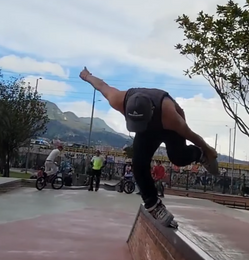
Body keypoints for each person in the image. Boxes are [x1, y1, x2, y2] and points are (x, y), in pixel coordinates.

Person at [80, 67, 219, 227]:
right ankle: (153, 204)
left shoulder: (171, 116)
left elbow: (191, 135)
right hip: (146, 128)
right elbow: (102, 86)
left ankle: (198, 155)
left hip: (169, 127)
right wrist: (88, 76)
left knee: (178, 157)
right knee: (138, 164)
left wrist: (208, 151)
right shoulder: (118, 99)